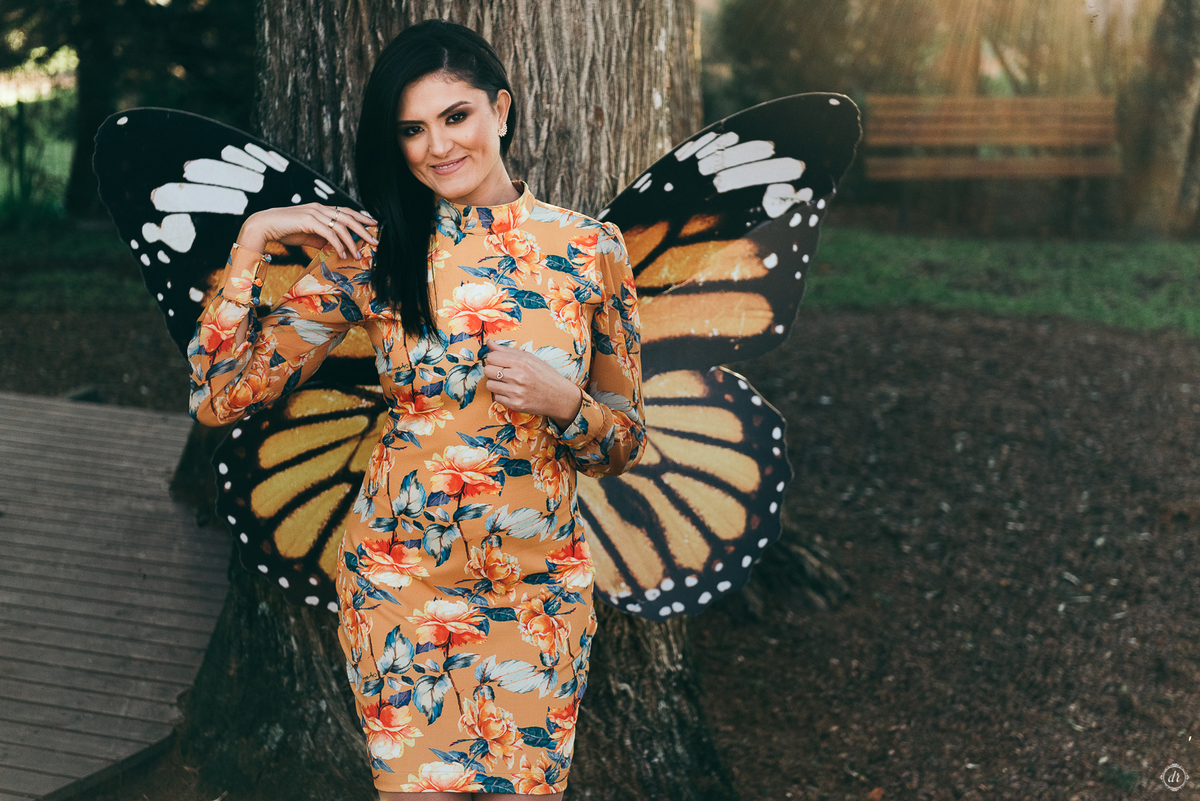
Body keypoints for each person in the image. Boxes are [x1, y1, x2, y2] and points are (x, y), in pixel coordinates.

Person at [185, 17, 645, 801]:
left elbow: (624, 441)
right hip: (401, 587)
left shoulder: (587, 249)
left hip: (535, 596)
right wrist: (255, 238)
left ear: (501, 109)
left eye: (455, 116)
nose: (438, 146)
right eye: (412, 129)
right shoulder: (372, 255)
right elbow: (220, 396)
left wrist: (566, 403)